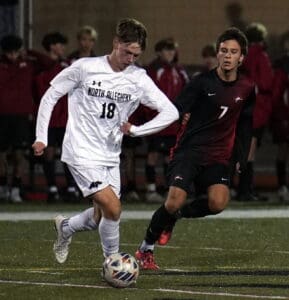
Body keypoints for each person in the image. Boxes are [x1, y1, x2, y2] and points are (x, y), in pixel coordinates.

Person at [32, 18, 179, 265]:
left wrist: (138, 130)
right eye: (127, 52)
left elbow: (170, 112)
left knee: (102, 216)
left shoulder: (138, 78)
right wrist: (41, 137)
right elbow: (50, 96)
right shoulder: (85, 67)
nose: (130, 59)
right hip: (80, 151)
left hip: (110, 154)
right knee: (113, 208)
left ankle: (66, 228)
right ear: (115, 43)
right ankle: (113, 261)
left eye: (136, 54)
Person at [135, 27, 255, 270]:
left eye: (233, 52)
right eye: (223, 51)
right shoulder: (201, 82)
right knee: (173, 201)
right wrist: (143, 127)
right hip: (189, 151)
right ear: (218, 53)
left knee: (218, 203)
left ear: (242, 57)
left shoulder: (247, 88)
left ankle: (174, 219)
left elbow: (245, 124)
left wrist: (241, 156)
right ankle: (146, 248)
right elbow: (175, 109)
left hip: (218, 156)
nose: (228, 56)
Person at [0, 34, 53, 203]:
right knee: (1, 154)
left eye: (16, 52)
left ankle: (16, 188)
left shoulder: (28, 63)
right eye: (9, 53)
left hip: (21, 116)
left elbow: (49, 63)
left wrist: (29, 51)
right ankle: (2, 187)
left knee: (19, 154)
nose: (13, 56)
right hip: (1, 115)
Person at [34, 32, 79, 202]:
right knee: (49, 152)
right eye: (60, 45)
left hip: (66, 115)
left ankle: (71, 187)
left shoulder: (67, 64)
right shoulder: (41, 67)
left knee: (69, 152)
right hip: (50, 116)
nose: (63, 48)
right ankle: (52, 188)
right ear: (52, 46)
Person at [143, 38, 189, 203]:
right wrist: (152, 117)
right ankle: (150, 189)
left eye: (172, 49)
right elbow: (146, 95)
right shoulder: (153, 71)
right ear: (159, 52)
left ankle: (169, 190)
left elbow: (187, 93)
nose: (170, 53)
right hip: (158, 120)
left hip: (174, 122)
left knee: (171, 157)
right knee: (153, 154)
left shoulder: (179, 71)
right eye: (167, 50)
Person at [236, 22, 273, 201]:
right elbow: (267, 82)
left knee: (243, 148)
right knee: (249, 151)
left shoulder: (242, 55)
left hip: (242, 106)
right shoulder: (261, 56)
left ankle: (243, 188)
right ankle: (245, 190)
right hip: (257, 108)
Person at [270, 31, 289, 202]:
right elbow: (276, 93)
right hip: (283, 114)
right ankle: (282, 186)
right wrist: (278, 114)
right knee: (283, 148)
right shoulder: (281, 66)